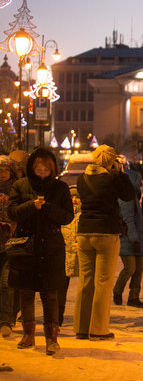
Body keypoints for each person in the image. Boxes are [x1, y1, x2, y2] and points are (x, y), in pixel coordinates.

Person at [7, 148, 74, 355]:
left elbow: (67, 216)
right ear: (32, 168)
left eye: (46, 169)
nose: (42, 172)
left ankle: (51, 337)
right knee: (26, 292)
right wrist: (31, 206)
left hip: (51, 247)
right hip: (26, 247)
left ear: (52, 168)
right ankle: (28, 334)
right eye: (38, 168)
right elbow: (11, 212)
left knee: (50, 293)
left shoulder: (60, 188)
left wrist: (46, 208)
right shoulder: (20, 185)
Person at [73, 145, 135, 341]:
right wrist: (121, 173)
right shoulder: (111, 179)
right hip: (106, 233)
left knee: (85, 281)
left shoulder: (81, 179)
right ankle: (98, 329)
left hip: (84, 232)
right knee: (103, 282)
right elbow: (128, 195)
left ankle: (81, 328)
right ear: (110, 161)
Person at [113, 163, 143, 308]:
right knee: (130, 268)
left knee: (139, 268)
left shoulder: (133, 195)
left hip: (136, 237)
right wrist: (135, 240)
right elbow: (128, 219)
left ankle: (134, 297)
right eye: (139, 184)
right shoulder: (126, 196)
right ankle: (117, 290)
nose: (140, 187)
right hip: (129, 238)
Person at [0, 155, 17, 337]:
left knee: (6, 283)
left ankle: (6, 320)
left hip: (11, 243)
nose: (3, 174)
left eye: (5, 170)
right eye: (0, 170)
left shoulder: (16, 190)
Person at [58, 186, 81, 326]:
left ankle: (83, 317)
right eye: (71, 197)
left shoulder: (85, 215)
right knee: (60, 289)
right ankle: (58, 317)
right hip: (64, 257)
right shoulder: (62, 215)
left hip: (80, 257)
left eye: (77, 197)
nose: (74, 200)